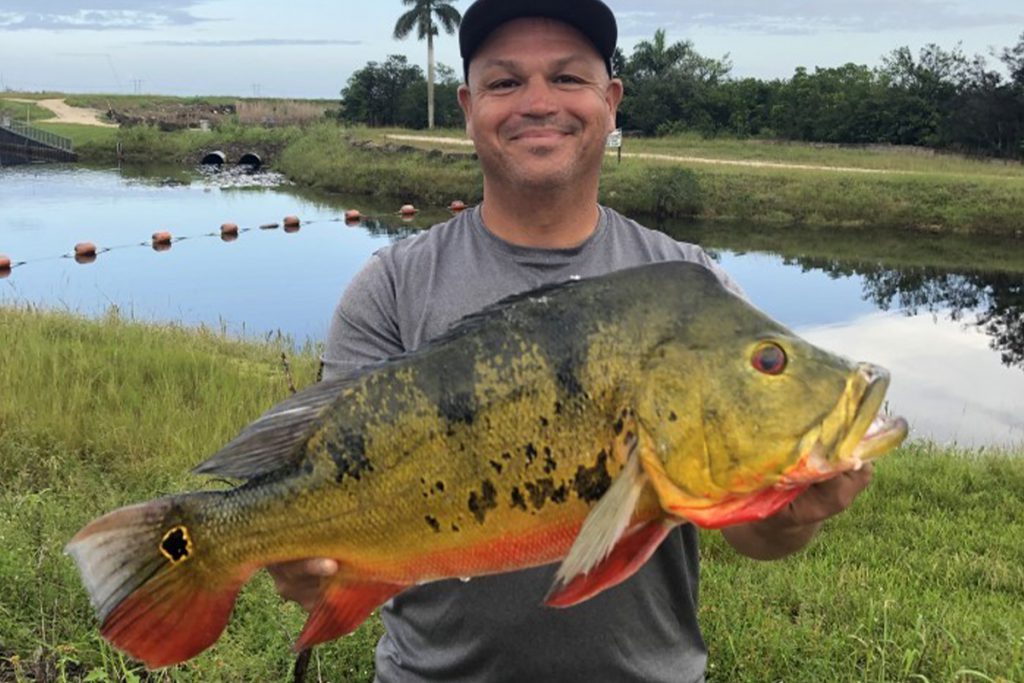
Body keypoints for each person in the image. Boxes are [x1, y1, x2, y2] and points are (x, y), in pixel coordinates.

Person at [271, 1, 873, 680]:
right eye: (504, 83)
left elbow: (753, 534)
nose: (536, 102)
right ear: (469, 106)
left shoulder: (693, 286)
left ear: (610, 102)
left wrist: (794, 513)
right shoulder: (391, 288)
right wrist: (303, 559)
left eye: (567, 78)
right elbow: (320, 483)